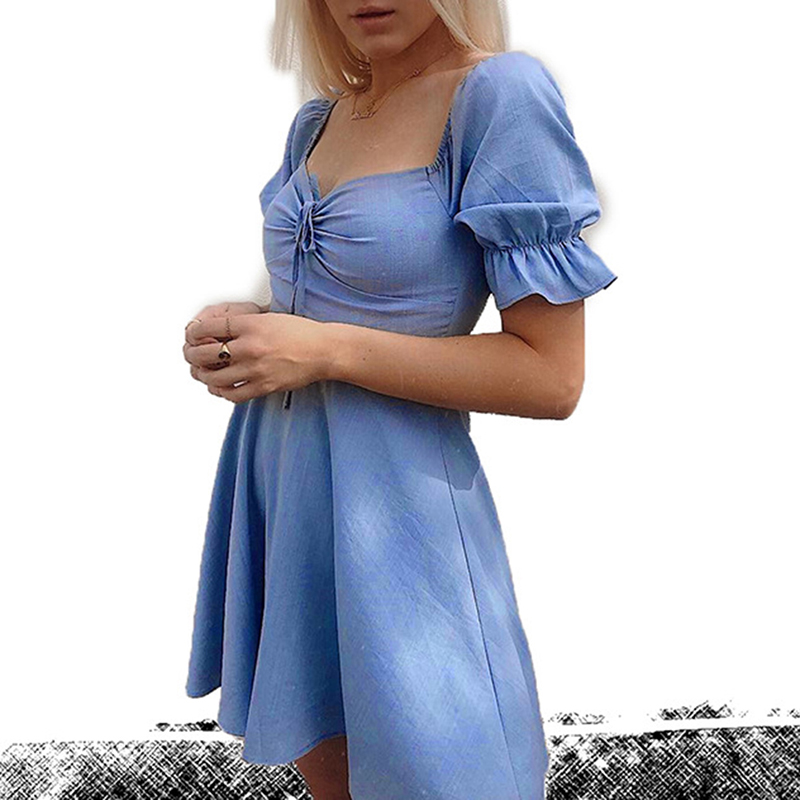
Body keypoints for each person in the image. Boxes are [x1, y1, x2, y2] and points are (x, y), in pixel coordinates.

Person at [182, 1, 617, 799]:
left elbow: (552, 377)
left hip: (403, 524)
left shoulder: (501, 96)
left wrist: (321, 350)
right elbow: (336, 317)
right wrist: (252, 331)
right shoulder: (319, 122)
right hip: (286, 501)